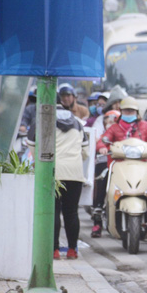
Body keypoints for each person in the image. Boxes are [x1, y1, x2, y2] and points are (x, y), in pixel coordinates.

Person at [27, 106, 88, 259]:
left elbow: (32, 146)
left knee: (53, 211)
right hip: (74, 173)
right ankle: (72, 249)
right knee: (72, 212)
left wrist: (39, 163)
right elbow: (85, 151)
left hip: (52, 172)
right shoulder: (78, 123)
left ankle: (54, 250)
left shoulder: (42, 121)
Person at [96, 97, 147, 164]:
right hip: (119, 163)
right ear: (121, 111)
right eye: (126, 110)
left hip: (142, 162)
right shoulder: (114, 127)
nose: (129, 113)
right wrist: (102, 147)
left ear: (137, 112)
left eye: (131, 110)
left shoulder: (144, 125)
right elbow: (103, 140)